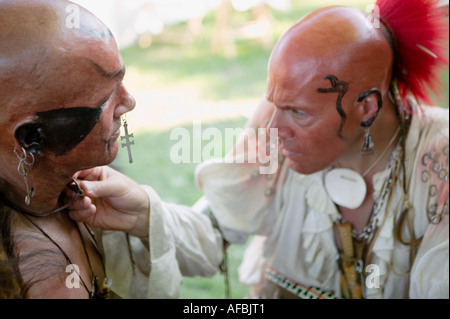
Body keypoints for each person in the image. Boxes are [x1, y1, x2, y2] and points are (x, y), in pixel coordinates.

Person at [69, 0, 449, 299]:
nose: (272, 129)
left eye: (298, 113)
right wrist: (144, 213)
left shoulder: (438, 161)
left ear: (367, 107)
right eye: (273, 104)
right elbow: (214, 230)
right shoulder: (278, 124)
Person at [0, 0, 224, 299]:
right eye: (105, 97)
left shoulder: (93, 192)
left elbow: (210, 248)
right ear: (32, 136)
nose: (129, 102)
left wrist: (144, 215)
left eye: (122, 81)